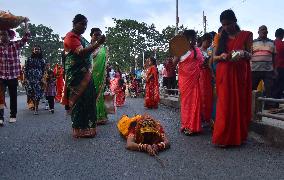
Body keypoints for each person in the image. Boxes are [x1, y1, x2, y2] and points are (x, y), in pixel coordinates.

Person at [212, 9, 252, 146]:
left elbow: (250, 55)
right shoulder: (220, 37)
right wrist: (221, 56)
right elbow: (214, 58)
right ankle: (223, 137)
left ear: (235, 21)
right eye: (223, 25)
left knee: (239, 103)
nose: (226, 27)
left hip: (240, 72)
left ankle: (238, 137)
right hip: (224, 72)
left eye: (228, 24)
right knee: (224, 104)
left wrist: (243, 53)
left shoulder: (246, 35)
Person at [62, 14, 105, 138]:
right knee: (79, 101)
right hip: (76, 76)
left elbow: (90, 52)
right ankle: (78, 129)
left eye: (86, 24)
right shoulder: (70, 37)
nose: (84, 27)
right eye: (82, 24)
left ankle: (89, 128)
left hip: (86, 73)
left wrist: (96, 44)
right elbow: (80, 52)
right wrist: (97, 44)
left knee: (89, 99)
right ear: (74, 23)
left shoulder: (81, 38)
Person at [0, 18, 29, 126]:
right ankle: (0, 117)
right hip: (1, 76)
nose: (2, 36)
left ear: (9, 35)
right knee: (0, 97)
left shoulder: (15, 45)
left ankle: (13, 115)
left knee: (13, 96)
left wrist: (25, 23)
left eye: (4, 34)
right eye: (1, 34)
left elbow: (26, 38)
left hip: (12, 75)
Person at [174, 30, 203, 135]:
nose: (195, 40)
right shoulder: (180, 50)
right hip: (185, 81)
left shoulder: (197, 51)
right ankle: (187, 125)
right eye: (194, 38)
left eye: (195, 38)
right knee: (186, 103)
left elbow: (202, 63)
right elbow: (173, 63)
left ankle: (194, 126)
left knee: (195, 102)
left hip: (195, 80)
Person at [251, 25, 276, 109]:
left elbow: (274, 56)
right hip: (254, 69)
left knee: (270, 89)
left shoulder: (272, 42)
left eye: (265, 30)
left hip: (268, 70)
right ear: (258, 32)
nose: (264, 31)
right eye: (262, 30)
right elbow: (249, 55)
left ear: (267, 32)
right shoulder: (252, 42)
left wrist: (275, 69)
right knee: (251, 88)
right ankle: (250, 106)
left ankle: (268, 107)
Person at [90, 27, 108, 124]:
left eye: (99, 35)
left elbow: (105, 64)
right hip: (89, 75)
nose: (98, 37)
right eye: (95, 35)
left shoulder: (103, 49)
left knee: (99, 94)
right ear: (91, 36)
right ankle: (91, 116)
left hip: (100, 76)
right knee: (90, 94)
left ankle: (100, 116)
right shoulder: (87, 46)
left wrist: (106, 76)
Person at [24, 45, 46, 115]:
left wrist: (43, 78)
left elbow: (44, 70)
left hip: (38, 79)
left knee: (38, 93)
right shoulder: (29, 59)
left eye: (38, 49)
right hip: (30, 79)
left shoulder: (42, 60)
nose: (37, 50)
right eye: (35, 49)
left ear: (40, 51)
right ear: (33, 50)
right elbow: (26, 69)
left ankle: (36, 108)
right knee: (30, 93)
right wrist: (25, 78)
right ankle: (34, 105)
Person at [199, 33, 214, 126]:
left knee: (208, 96)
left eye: (210, 42)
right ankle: (200, 117)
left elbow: (210, 63)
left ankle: (207, 117)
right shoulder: (197, 50)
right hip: (200, 74)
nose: (209, 44)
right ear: (203, 40)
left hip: (208, 74)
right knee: (201, 95)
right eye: (208, 42)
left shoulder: (209, 51)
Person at [271, 28, 284, 112]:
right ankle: (275, 105)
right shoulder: (282, 44)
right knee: (279, 87)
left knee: (272, 87)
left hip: (271, 68)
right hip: (281, 68)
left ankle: (271, 104)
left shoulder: (271, 43)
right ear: (282, 35)